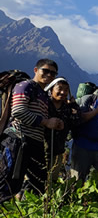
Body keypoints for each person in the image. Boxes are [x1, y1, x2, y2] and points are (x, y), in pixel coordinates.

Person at [3, 59, 63, 197]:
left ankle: (26, 214)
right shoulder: (25, 86)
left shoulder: (42, 94)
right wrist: (46, 122)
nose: (49, 75)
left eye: (53, 73)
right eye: (45, 71)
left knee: (37, 183)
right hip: (19, 140)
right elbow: (18, 111)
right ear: (36, 70)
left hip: (34, 142)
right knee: (10, 180)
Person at [44, 77, 81, 180]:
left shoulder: (68, 108)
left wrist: (74, 105)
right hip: (40, 150)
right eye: (59, 89)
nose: (63, 92)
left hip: (58, 151)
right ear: (51, 90)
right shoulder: (44, 104)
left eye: (66, 90)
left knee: (52, 180)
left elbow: (77, 122)